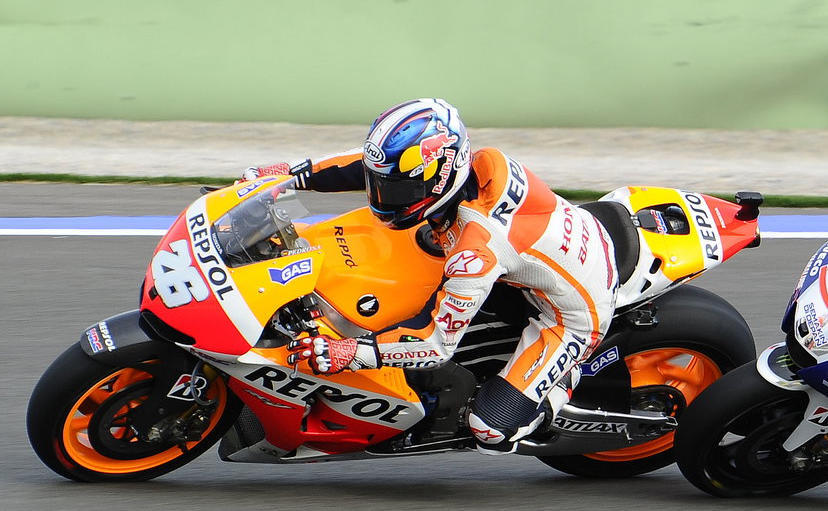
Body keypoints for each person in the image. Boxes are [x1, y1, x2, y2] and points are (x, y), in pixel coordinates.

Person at [242, 98, 617, 453]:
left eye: (399, 189)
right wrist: (286, 176)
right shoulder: (469, 167)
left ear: (439, 181)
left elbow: (436, 345)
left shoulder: (475, 252)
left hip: (571, 315)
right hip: (538, 261)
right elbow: (365, 165)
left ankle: (564, 381)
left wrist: (350, 352)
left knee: (491, 429)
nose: (381, 196)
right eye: (381, 183)